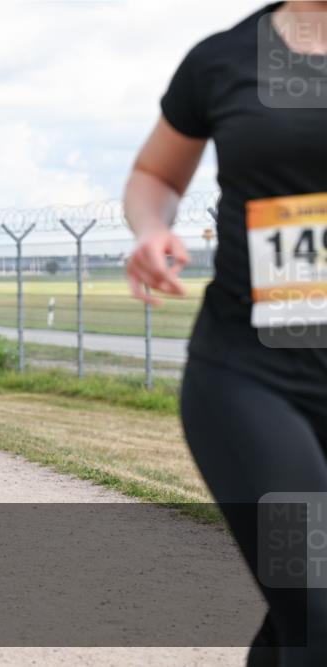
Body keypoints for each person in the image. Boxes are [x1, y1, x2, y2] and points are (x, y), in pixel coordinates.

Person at [123, 3, 326, 663]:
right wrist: (152, 229)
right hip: (254, 378)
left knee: (299, 619)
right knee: (317, 603)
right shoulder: (225, 59)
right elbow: (155, 175)